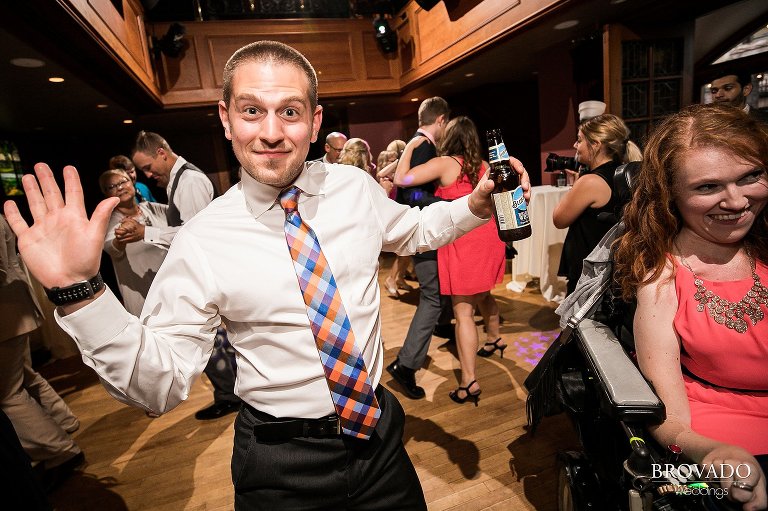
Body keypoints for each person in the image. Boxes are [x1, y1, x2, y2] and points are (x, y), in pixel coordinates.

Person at [3, 41, 530, 510]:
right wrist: (80, 294)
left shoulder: (353, 187)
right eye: (252, 110)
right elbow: (157, 387)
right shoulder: (202, 241)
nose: (272, 132)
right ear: (227, 118)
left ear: (315, 121)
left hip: (380, 436)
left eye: (290, 112)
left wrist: (477, 206)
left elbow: (413, 230)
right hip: (280, 464)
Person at [614, 103, 768, 510]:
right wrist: (715, 453)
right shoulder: (663, 276)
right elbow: (670, 419)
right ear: (670, 196)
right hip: (727, 433)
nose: (736, 201)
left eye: (751, 176)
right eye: (708, 187)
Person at [394, 116, 506, 406]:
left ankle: (469, 380)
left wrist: (410, 146)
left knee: (464, 312)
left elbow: (401, 179)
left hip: (463, 243)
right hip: (489, 238)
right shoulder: (484, 166)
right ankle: (495, 339)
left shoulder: (446, 163)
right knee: (484, 294)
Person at [131, 130, 240, 421]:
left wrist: (147, 232)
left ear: (161, 154)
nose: (147, 174)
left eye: (147, 167)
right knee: (216, 339)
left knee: (210, 340)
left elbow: (196, 234)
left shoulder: (190, 181)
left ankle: (229, 395)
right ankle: (232, 391)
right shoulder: (177, 181)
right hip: (204, 273)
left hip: (208, 273)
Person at [0, 214, 84, 485]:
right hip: (13, 307)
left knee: (6, 395)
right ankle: (63, 423)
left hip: (6, 313)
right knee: (24, 377)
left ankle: (60, 450)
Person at [384, 97, 457, 400]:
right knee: (431, 295)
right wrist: (449, 205)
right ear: (440, 120)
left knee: (436, 291)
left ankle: (442, 325)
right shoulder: (424, 146)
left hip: (417, 229)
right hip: (423, 228)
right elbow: (411, 193)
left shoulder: (414, 144)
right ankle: (406, 365)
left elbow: (391, 178)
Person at [552, 113, 642, 295]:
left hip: (591, 272)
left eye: (579, 140)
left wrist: (577, 184)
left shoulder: (591, 181)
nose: (575, 146)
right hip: (616, 267)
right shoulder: (626, 172)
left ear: (596, 144)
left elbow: (559, 219)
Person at [98, 169, 170, 316]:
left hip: (170, 288)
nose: (119, 187)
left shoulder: (151, 208)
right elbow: (111, 248)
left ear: (132, 182)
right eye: (111, 186)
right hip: (143, 297)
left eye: (123, 181)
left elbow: (181, 221)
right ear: (106, 194)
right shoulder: (110, 222)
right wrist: (121, 237)